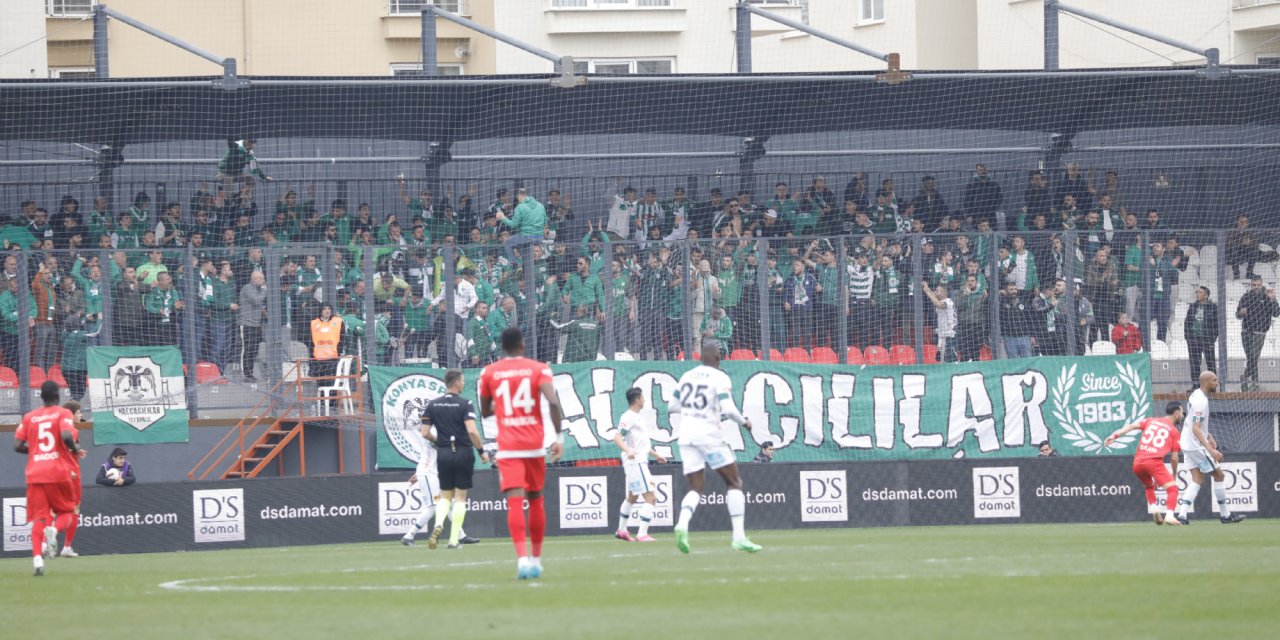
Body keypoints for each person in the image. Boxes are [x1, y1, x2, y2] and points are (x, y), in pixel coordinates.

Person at [478, 328, 564, 580]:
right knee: (536, 500)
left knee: (515, 501)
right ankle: (536, 561)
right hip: (535, 445)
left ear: (502, 346)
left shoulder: (490, 372)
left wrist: (503, 405)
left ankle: (522, 560)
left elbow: (485, 411)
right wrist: (558, 439)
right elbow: (554, 402)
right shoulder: (538, 369)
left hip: (509, 446)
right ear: (523, 344)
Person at [671, 343, 762, 555]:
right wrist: (744, 423)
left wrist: (694, 410)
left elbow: (672, 406)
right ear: (718, 358)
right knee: (734, 482)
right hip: (709, 435)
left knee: (696, 488)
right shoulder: (720, 377)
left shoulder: (687, 376)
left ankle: (682, 523)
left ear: (700, 358)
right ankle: (739, 537)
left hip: (686, 435)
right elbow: (729, 409)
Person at [402, 369, 488, 549]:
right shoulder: (438, 432)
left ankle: (461, 536)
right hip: (429, 472)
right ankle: (409, 535)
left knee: (447, 504)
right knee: (435, 507)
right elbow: (431, 440)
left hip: (430, 471)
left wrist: (419, 474)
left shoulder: (435, 417)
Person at [13, 381, 84, 576]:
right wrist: (75, 449)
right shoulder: (63, 414)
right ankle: (54, 532)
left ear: (41, 396)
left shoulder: (29, 417)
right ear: (57, 396)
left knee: (39, 519)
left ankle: (37, 559)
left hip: (35, 473)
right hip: (58, 472)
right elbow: (67, 436)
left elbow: (17, 445)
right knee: (68, 511)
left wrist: (35, 452)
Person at [1174, 372, 1245, 525]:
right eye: (1214, 380)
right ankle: (1225, 515)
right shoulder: (1200, 401)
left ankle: (1181, 515)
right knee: (1219, 476)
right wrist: (1210, 450)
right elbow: (1196, 428)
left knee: (1197, 479)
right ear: (1206, 382)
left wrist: (1209, 435)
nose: (1217, 382)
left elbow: (1192, 420)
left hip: (1186, 443)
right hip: (1194, 445)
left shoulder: (1196, 394)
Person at [1105, 401, 1185, 525]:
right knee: (1173, 489)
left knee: (1149, 486)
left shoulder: (1150, 420)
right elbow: (1174, 458)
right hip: (1154, 462)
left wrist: (1114, 435)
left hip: (1137, 463)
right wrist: (1174, 474)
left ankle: (1154, 508)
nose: (1183, 415)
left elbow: (1131, 426)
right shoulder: (1174, 432)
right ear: (1176, 413)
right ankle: (1169, 515)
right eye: (1181, 412)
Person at [612, 387, 668, 543]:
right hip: (636, 462)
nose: (644, 400)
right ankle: (642, 534)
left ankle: (621, 531)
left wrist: (656, 455)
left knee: (632, 496)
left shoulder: (637, 417)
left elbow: (641, 444)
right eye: (642, 397)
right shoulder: (629, 417)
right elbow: (616, 437)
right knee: (651, 497)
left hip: (636, 460)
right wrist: (628, 450)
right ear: (637, 400)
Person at [1235, 274, 1278, 392]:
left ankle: (1250, 380)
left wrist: (1272, 299)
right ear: (1250, 285)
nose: (1256, 287)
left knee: (1253, 356)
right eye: (1254, 285)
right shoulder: (1246, 297)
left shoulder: (1267, 296)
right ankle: (1251, 380)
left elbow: (1276, 313)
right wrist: (1241, 313)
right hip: (1246, 331)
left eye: (1258, 285)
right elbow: (1237, 314)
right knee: (1251, 358)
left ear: (1262, 284)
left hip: (1260, 332)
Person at [497, 188, 547, 267]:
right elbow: (545, 223)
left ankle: (515, 264)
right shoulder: (540, 205)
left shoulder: (520, 207)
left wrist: (502, 218)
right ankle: (524, 268)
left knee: (508, 243)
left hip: (527, 237)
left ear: (519, 196)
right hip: (539, 238)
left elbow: (513, 225)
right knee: (523, 247)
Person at [1183, 286, 1219, 393]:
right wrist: (1188, 337)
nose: (1197, 294)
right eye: (1197, 292)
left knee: (1210, 362)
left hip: (1207, 339)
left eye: (1200, 292)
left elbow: (1217, 324)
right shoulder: (1193, 307)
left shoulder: (1213, 307)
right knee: (1194, 362)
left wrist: (1213, 338)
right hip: (1194, 339)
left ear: (1206, 295)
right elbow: (1187, 322)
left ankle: (1212, 386)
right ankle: (1196, 384)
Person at [308, 304, 345, 382]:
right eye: (324, 309)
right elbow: (309, 340)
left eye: (329, 309)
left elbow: (343, 338)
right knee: (321, 383)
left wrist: (339, 351)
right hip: (318, 358)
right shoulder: (313, 323)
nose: (327, 311)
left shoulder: (338, 321)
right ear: (320, 310)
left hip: (333, 357)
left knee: (332, 382)